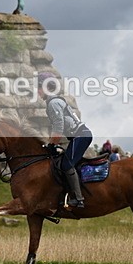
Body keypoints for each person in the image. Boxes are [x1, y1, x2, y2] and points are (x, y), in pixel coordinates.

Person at [37, 72, 91, 208]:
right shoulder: (55, 101)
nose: (37, 92)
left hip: (81, 136)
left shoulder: (53, 103)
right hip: (79, 136)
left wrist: (51, 145)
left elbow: (58, 128)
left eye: (38, 88)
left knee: (66, 165)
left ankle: (78, 199)